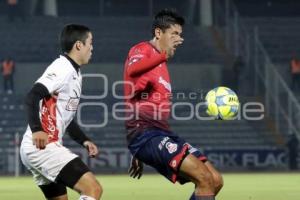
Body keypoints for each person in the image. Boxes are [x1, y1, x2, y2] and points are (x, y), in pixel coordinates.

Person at [123, 9, 223, 200]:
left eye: (180, 34)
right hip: (145, 134)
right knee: (204, 178)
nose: (179, 39)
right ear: (158, 33)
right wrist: (138, 143)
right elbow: (133, 71)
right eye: (174, 34)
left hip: (159, 133)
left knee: (215, 179)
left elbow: (140, 100)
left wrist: (138, 153)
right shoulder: (142, 50)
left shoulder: (160, 65)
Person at [20, 24, 103, 200]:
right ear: (79, 45)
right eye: (90, 42)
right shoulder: (62, 67)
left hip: (38, 148)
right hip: (43, 146)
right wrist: (37, 129)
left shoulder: (74, 72)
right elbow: (32, 96)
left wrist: (84, 140)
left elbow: (65, 118)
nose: (92, 47)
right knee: (93, 189)